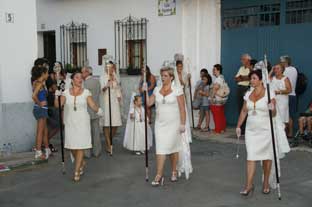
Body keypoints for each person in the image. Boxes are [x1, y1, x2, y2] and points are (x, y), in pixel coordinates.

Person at [236, 69, 290, 196]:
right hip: (250, 130)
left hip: (266, 130)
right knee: (251, 156)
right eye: (251, 78)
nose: (252, 80)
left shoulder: (269, 93)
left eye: (254, 78)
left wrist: (272, 108)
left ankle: (266, 182)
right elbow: (244, 111)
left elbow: (274, 113)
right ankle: (249, 185)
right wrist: (238, 126)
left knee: (266, 157)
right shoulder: (248, 93)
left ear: (261, 80)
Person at [54, 72, 104, 182]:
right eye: (77, 77)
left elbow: (92, 105)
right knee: (72, 146)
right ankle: (80, 162)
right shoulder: (66, 93)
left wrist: (99, 111)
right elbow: (58, 105)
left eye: (81, 78)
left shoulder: (86, 92)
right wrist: (56, 95)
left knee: (80, 146)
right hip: (70, 122)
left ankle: (76, 171)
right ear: (72, 80)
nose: (80, 79)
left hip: (83, 122)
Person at [145, 65, 188, 186]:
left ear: (171, 77)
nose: (163, 78)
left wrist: (183, 124)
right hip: (160, 124)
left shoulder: (177, 90)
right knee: (161, 148)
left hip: (174, 124)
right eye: (161, 76)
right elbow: (149, 103)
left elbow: (182, 109)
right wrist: (145, 91)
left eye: (165, 76)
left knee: (173, 148)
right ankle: (159, 175)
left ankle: (174, 171)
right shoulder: (156, 89)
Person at [99, 61, 122, 154]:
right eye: (108, 67)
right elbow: (101, 90)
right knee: (107, 123)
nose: (110, 69)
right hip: (106, 101)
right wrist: (106, 86)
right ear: (106, 68)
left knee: (115, 123)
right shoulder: (103, 77)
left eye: (112, 67)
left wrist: (119, 96)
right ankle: (108, 144)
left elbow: (118, 88)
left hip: (114, 101)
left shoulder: (116, 76)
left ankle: (110, 139)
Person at [81, 66, 102, 158]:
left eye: (82, 72)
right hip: (96, 109)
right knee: (96, 132)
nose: (81, 74)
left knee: (87, 133)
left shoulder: (84, 84)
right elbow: (98, 93)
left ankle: (87, 153)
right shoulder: (97, 82)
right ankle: (97, 151)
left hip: (86, 111)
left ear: (87, 72)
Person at [31, 65, 51, 160]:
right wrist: (40, 104)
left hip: (42, 109)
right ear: (43, 74)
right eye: (47, 73)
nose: (48, 74)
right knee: (40, 131)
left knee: (44, 130)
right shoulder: (39, 83)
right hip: (40, 109)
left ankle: (47, 149)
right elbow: (34, 96)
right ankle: (38, 152)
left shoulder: (39, 82)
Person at [280, 55, 298, 138]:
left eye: (281, 61)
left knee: (284, 115)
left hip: (285, 95)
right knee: (290, 116)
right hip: (293, 95)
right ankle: (290, 133)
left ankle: (283, 133)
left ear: (285, 62)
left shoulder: (284, 71)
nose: (280, 63)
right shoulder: (294, 69)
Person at [235, 54, 252, 134]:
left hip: (247, 88)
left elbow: (250, 77)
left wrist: (242, 77)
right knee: (240, 108)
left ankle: (247, 128)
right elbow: (236, 79)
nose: (241, 61)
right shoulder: (241, 68)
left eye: (243, 59)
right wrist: (243, 77)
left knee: (247, 108)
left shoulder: (251, 68)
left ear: (248, 60)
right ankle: (241, 128)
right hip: (240, 88)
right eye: (241, 59)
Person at [210, 64, 227, 134]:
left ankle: (218, 129)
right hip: (222, 99)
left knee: (216, 114)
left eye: (214, 69)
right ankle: (222, 128)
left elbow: (216, 88)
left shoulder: (218, 79)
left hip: (217, 99)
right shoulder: (222, 78)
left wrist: (211, 97)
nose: (213, 71)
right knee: (221, 114)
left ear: (218, 70)